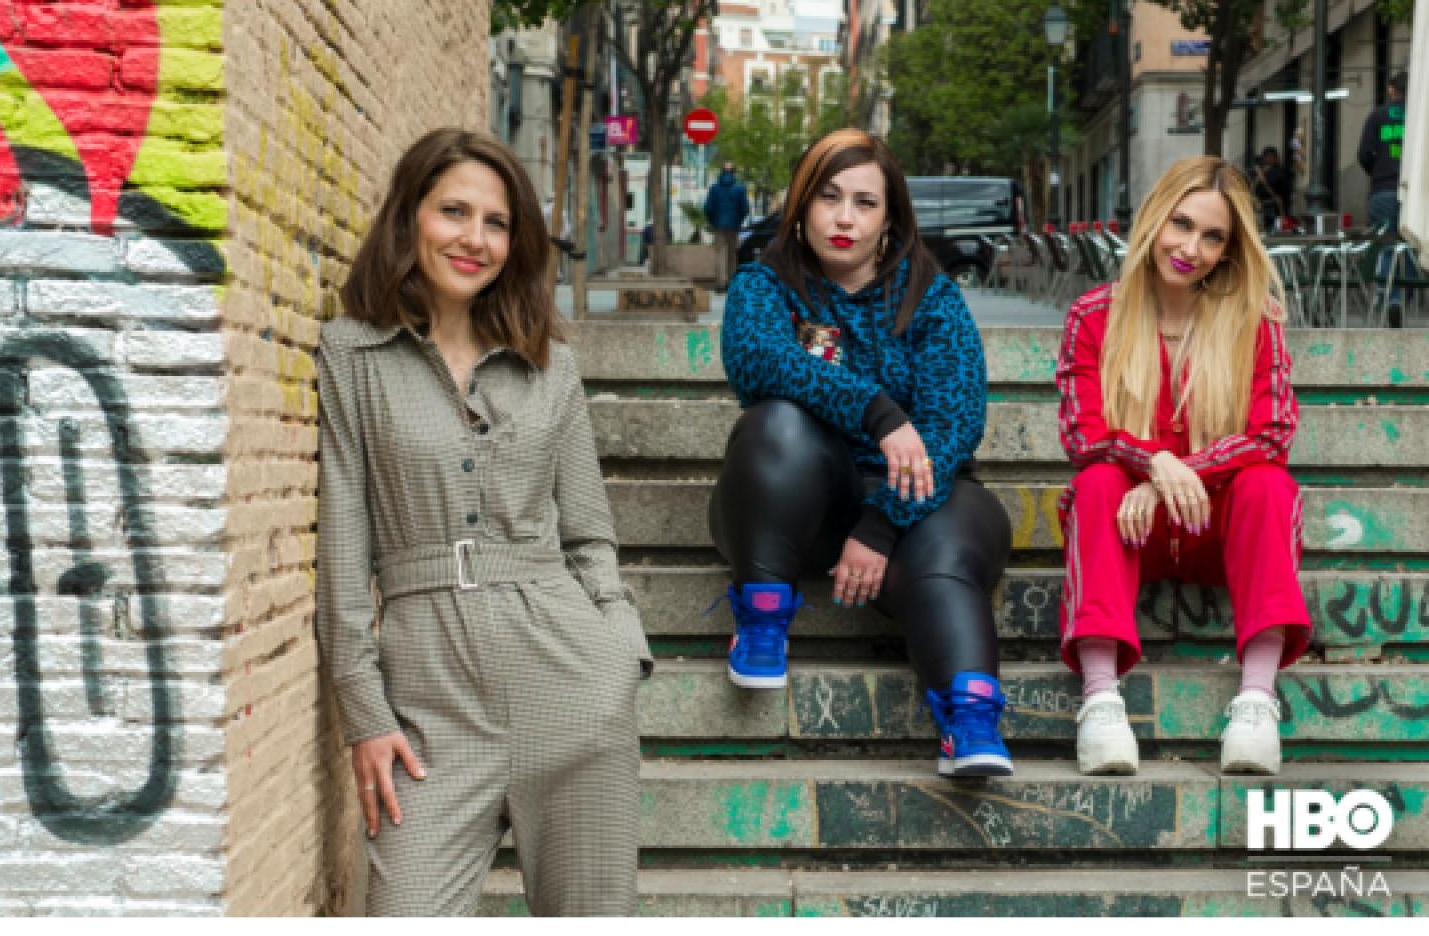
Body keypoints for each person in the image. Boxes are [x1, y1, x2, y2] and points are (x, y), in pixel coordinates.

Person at [316, 128, 652, 916]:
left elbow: (589, 535)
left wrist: (620, 658)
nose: (474, 238)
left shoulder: (550, 365)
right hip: (428, 709)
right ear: (410, 218)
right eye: (453, 212)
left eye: (495, 222)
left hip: (573, 689)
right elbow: (342, 551)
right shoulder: (351, 355)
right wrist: (362, 711)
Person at [709, 129, 1014, 778]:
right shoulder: (764, 286)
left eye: (865, 203)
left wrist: (880, 527)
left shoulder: (931, 297)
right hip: (800, 507)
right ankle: (762, 615)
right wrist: (878, 412)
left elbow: (954, 427)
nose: (844, 218)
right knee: (776, 425)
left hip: (918, 505)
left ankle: (971, 717)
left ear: (889, 218)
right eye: (828, 197)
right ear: (800, 205)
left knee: (944, 553)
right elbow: (760, 361)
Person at [1056, 156, 1313, 777]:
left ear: (1229, 250)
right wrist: (1150, 465)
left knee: (1268, 484)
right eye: (1181, 224)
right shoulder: (1094, 316)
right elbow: (1082, 434)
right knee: (1096, 482)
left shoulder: (1254, 320)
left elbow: (1272, 432)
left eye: (1212, 236)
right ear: (1153, 219)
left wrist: (1180, 471)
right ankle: (1101, 704)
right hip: (1127, 532)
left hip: (1218, 532)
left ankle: (1255, 700)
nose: (1190, 248)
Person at [1359, 72, 1412, 327]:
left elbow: (1363, 153)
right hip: (1413, 193)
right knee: (1412, 244)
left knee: (1387, 243)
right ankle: (1406, 294)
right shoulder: (1419, 119)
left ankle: (1389, 296)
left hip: (1383, 190)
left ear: (1391, 89)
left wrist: (1379, 173)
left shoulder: (1377, 116)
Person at [704, 160, 751, 289]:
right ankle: (731, 281)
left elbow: (708, 208)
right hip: (734, 227)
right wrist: (738, 220)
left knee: (720, 255)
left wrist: (713, 221)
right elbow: (745, 209)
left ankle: (720, 283)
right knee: (732, 255)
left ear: (722, 172)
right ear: (733, 172)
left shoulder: (714, 189)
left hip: (719, 226)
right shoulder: (740, 189)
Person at [1249, 146, 1292, 231]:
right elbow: (1252, 188)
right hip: (1260, 205)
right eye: (1267, 157)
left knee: (1275, 228)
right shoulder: (1257, 171)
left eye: (1272, 157)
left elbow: (1282, 193)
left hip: (1275, 206)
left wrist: (1263, 179)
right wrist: (1259, 176)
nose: (1270, 159)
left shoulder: (1280, 172)